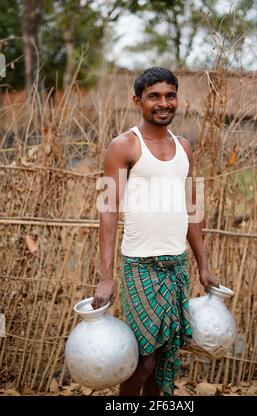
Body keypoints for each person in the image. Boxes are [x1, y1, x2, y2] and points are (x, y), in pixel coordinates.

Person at [92, 67, 219, 396]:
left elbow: (193, 209)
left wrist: (203, 266)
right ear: (138, 101)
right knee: (143, 359)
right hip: (140, 266)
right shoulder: (123, 146)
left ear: (177, 99)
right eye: (154, 96)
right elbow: (108, 209)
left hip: (176, 265)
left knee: (165, 358)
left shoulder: (185, 148)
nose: (163, 103)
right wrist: (106, 276)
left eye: (170, 95)